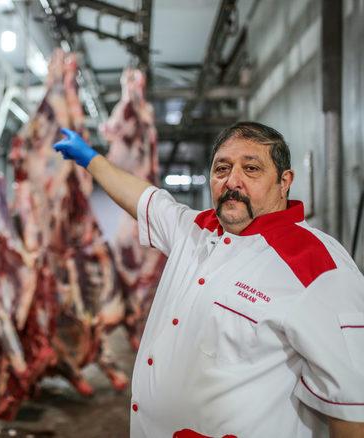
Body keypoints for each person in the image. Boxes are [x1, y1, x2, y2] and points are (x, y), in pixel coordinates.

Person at [53, 122, 364, 438]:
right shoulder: (196, 230)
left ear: (284, 182)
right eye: (222, 169)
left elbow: (352, 409)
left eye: (251, 169)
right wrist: (90, 158)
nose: (233, 181)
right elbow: (144, 198)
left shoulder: (319, 266)